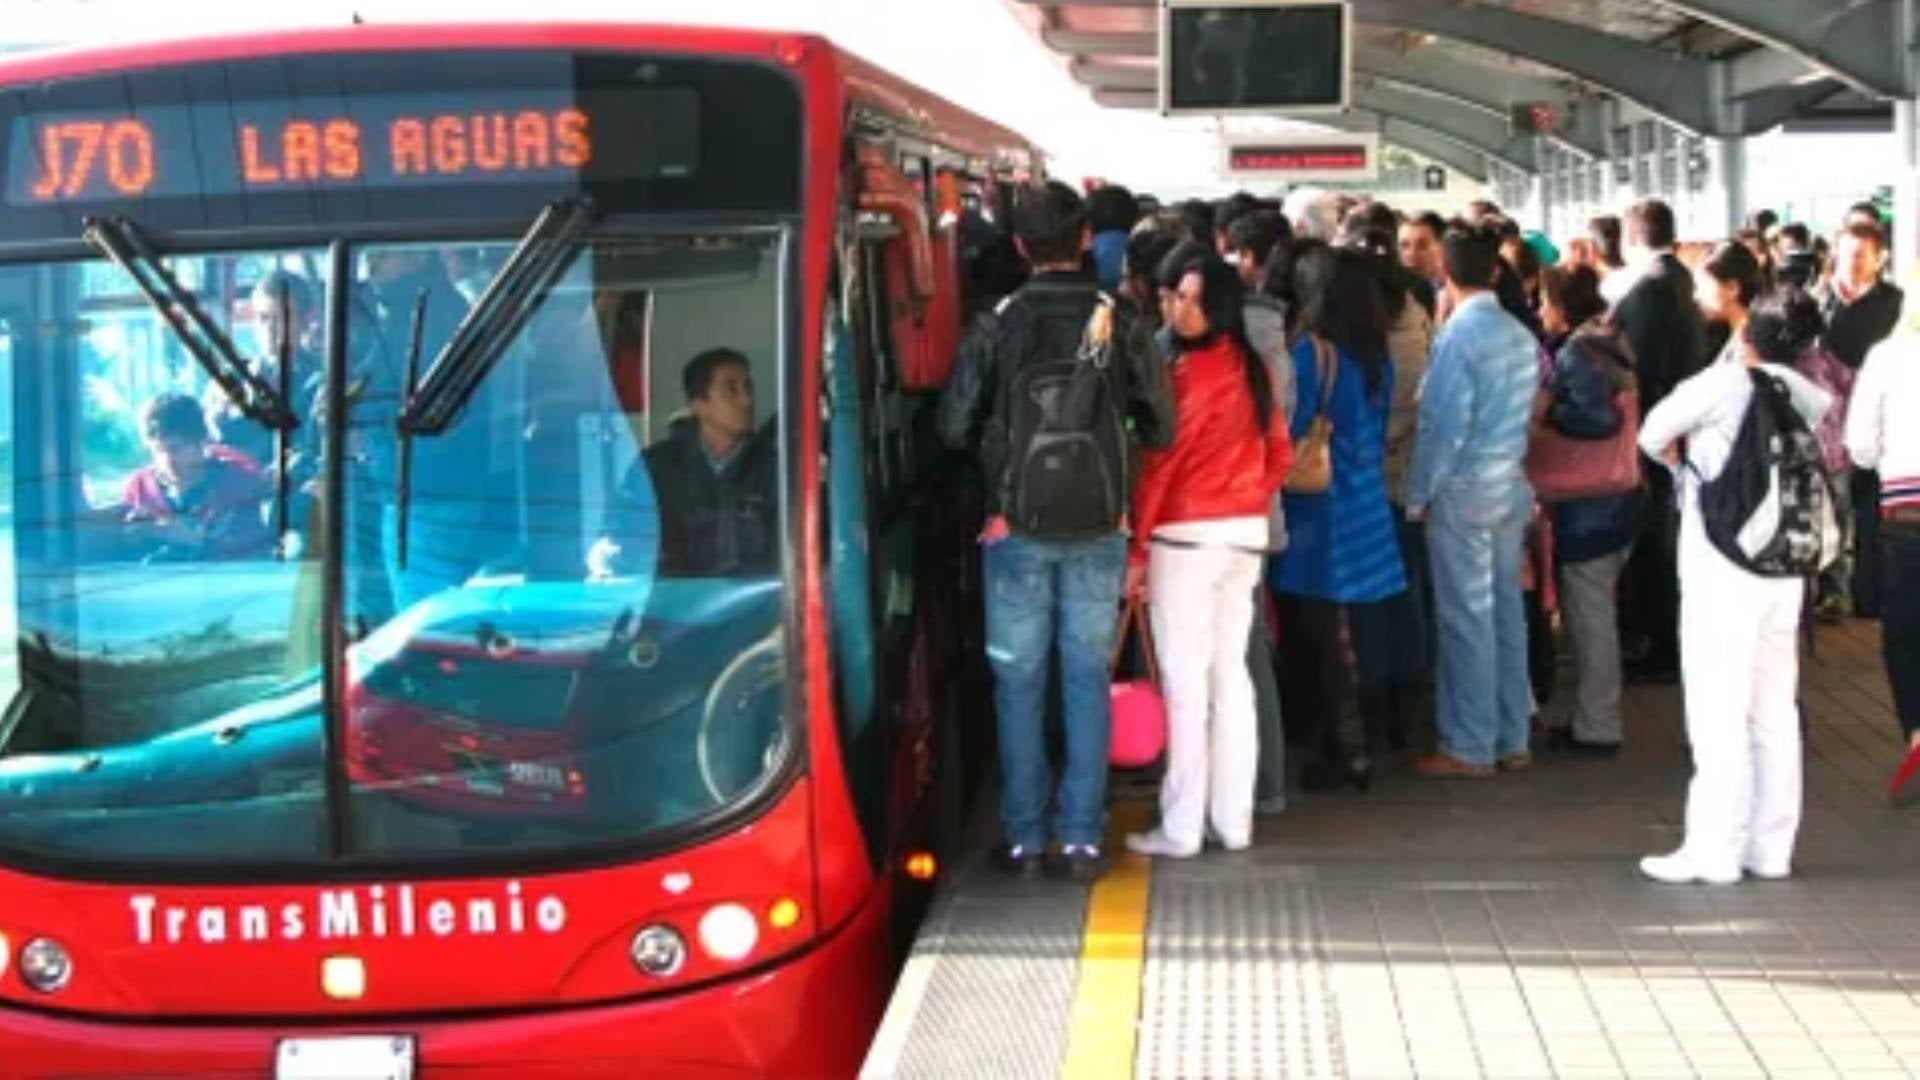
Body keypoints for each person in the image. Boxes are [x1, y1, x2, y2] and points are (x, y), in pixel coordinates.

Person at [938, 181, 1175, 880]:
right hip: (1102, 525)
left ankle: (1023, 837)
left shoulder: (997, 322)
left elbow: (952, 427)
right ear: (1081, 242)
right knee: (1083, 676)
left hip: (1015, 529)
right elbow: (1161, 426)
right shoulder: (1121, 319)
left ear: (1018, 247)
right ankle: (1081, 836)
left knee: (1017, 682)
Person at [1635, 289, 1831, 884]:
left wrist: (1681, 463)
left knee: (1717, 711)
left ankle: (1713, 851)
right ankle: (1772, 848)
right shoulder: (1806, 395)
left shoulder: (1722, 384)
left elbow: (1651, 432)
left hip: (1721, 567)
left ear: (1747, 331)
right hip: (1783, 569)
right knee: (1774, 710)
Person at [1123, 254, 1291, 858]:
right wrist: (1249, 497)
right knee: (1233, 680)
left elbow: (1159, 467)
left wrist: (1138, 547)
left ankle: (1182, 826)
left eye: (1193, 299)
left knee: (1186, 683)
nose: (1181, 309)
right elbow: (1280, 453)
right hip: (1243, 534)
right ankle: (1234, 820)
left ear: (1218, 304)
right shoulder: (1251, 368)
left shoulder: (1182, 375)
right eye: (1177, 298)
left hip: (1185, 538)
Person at [1407, 226, 1539, 778]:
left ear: (1445, 274)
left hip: (1464, 492)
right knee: (1506, 613)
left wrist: (1418, 493)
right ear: (1491, 273)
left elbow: (1443, 426)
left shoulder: (1459, 338)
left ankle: (1470, 743)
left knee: (1466, 618)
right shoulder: (1518, 333)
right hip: (1510, 485)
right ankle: (1513, 735)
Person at [1537, 265, 1641, 753]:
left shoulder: (1579, 352)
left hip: (1590, 508)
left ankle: (1598, 726)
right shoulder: (1610, 342)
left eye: (1545, 301)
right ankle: (1594, 718)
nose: (1540, 311)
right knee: (1600, 614)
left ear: (1561, 304)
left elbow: (1597, 419)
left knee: (1591, 620)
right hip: (1620, 499)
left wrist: (1550, 411)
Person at [1612, 198, 1707, 684]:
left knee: (1656, 544)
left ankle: (1661, 647)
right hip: (1683, 433)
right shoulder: (1681, 281)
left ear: (1631, 238)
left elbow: (1645, 369)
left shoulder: (1648, 291)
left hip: (1659, 436)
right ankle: (1663, 641)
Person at [596, 348, 775, 580]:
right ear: (698, 404)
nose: (747, 400)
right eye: (731, 389)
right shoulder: (656, 469)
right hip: (671, 610)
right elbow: (620, 546)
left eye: (748, 387)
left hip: (759, 612)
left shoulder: (777, 470)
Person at [1846, 325, 1920, 801]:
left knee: (1906, 633)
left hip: (1906, 510)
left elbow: (1861, 445)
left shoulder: (1887, 354)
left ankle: (1916, 733)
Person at [1825, 221, 1906, 618]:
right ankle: (1839, 590)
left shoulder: (1896, 305)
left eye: (1860, 255)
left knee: (1873, 512)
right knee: (1834, 509)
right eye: (1844, 254)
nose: (1850, 263)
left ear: (1879, 259)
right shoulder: (1822, 301)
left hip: (1879, 423)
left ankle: (1869, 593)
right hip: (1829, 423)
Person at [120, 393, 272, 561]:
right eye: (158, 451)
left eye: (176, 449)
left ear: (200, 442)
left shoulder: (238, 484)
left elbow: (254, 555)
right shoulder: (139, 489)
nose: (167, 461)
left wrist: (197, 541)